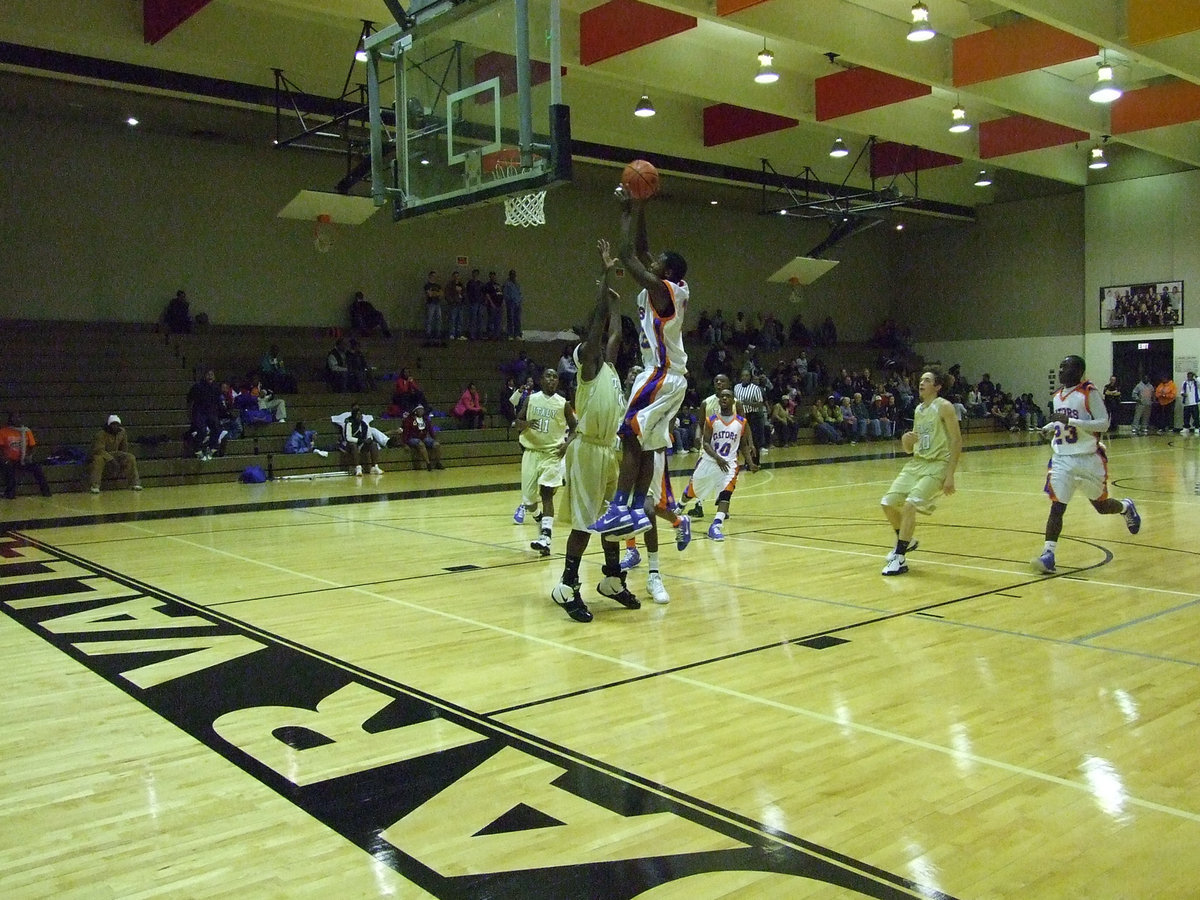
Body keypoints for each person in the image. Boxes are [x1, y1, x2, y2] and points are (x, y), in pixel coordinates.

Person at [589, 183, 689, 538]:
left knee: (630, 433)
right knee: (646, 443)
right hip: (669, 376)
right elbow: (644, 250)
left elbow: (629, 255)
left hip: (660, 374)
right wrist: (644, 204)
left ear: (668, 272)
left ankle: (618, 507)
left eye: (660, 262)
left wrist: (627, 211)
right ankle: (634, 509)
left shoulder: (664, 291)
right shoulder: (668, 284)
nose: (654, 259)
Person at [551, 239, 641, 622]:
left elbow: (616, 332)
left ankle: (612, 580)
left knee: (612, 519)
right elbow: (599, 327)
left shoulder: (612, 370)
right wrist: (604, 278)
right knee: (586, 522)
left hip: (609, 452)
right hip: (587, 450)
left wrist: (618, 299)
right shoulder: (588, 367)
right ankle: (567, 586)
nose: (605, 345)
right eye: (598, 342)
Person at [1032, 355, 1141, 574]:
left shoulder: (1089, 392)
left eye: (1066, 367)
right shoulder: (1057, 396)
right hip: (1062, 458)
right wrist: (1049, 427)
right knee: (1057, 506)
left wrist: (1069, 421)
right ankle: (1048, 555)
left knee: (1101, 507)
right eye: (1060, 366)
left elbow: (1104, 423)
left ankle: (1126, 507)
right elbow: (1061, 423)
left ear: (1078, 371)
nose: (1061, 370)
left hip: (1088, 459)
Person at [879, 368, 961, 575]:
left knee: (910, 505)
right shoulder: (919, 410)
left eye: (927, 380)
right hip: (917, 463)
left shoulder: (944, 407)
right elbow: (910, 448)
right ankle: (908, 540)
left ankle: (899, 557)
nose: (921, 383)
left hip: (937, 465)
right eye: (921, 379)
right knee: (887, 503)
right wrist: (906, 441)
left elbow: (957, 440)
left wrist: (950, 475)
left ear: (938, 386)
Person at [677, 388, 756, 541]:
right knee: (692, 491)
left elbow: (744, 445)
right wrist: (717, 458)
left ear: (733, 401)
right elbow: (705, 443)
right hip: (709, 461)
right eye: (722, 396)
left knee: (726, 493)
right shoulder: (712, 420)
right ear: (719, 401)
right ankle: (680, 505)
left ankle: (716, 525)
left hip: (730, 464)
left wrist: (750, 462)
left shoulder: (741, 422)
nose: (724, 398)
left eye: (728, 396)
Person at [515, 368, 575, 556]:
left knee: (547, 493)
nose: (551, 379)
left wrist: (567, 445)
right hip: (531, 453)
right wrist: (524, 424)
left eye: (555, 377)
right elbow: (517, 421)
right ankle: (539, 517)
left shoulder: (563, 403)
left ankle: (546, 537)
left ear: (558, 382)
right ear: (541, 380)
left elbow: (575, 428)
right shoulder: (531, 399)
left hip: (552, 453)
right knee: (529, 501)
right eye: (548, 376)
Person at [1, 411, 52, 499]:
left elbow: (32, 447)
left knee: (37, 468)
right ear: (10, 419)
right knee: (9, 469)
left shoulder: (26, 431)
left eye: (18, 417)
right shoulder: (3, 431)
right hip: (8, 460)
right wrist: (4, 458)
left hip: (22, 459)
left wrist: (27, 457)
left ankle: (46, 492)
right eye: (14, 417)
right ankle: (10, 493)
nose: (16, 419)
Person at [89, 415, 142, 493]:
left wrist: (122, 458)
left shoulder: (122, 432)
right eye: (113, 424)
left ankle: (135, 483)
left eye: (117, 424)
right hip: (103, 454)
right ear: (109, 425)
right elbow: (98, 450)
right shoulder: (100, 434)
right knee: (98, 459)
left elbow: (124, 448)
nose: (115, 426)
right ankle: (95, 485)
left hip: (116, 454)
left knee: (130, 457)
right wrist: (111, 459)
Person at [187, 368, 223, 460]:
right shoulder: (198, 386)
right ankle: (197, 448)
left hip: (211, 412)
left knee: (216, 428)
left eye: (212, 374)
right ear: (204, 376)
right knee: (202, 430)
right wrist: (190, 413)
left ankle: (211, 448)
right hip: (199, 411)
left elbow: (218, 402)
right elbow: (190, 400)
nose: (210, 376)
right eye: (208, 374)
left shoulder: (216, 387)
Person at [338, 405, 383, 476]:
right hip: (347, 446)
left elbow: (369, 436)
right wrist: (361, 441)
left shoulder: (364, 424)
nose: (360, 416)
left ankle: (374, 466)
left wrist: (369, 440)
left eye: (361, 415)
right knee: (353, 445)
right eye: (358, 415)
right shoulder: (349, 423)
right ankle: (358, 467)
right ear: (354, 416)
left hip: (360, 445)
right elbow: (348, 438)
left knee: (373, 444)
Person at [398, 403, 443, 471]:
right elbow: (405, 432)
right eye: (420, 410)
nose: (421, 411)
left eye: (422, 410)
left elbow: (430, 430)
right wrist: (404, 444)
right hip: (412, 438)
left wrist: (434, 438)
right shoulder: (409, 420)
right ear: (415, 411)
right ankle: (428, 463)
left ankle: (438, 463)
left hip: (423, 437)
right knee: (420, 444)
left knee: (437, 445)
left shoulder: (425, 419)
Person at [423, 270, 443, 342]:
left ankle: (438, 333)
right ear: (430, 276)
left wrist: (434, 293)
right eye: (433, 276)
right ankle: (428, 333)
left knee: (439, 319)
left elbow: (441, 294)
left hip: (437, 303)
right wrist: (436, 293)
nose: (434, 277)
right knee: (429, 319)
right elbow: (429, 295)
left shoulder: (438, 285)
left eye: (435, 276)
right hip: (430, 304)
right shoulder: (427, 285)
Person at [503, 269, 523, 340]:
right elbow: (505, 294)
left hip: (517, 304)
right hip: (511, 303)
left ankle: (517, 334)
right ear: (509, 275)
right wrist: (510, 301)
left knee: (517, 319)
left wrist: (519, 300)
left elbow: (520, 293)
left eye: (514, 275)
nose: (513, 276)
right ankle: (510, 334)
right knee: (510, 319)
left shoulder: (517, 284)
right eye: (512, 274)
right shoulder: (507, 284)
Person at [445, 270, 466, 340]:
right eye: (455, 276)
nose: (456, 277)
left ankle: (459, 334)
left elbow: (464, 293)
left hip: (460, 305)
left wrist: (463, 300)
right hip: (453, 305)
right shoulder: (449, 285)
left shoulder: (461, 284)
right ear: (452, 277)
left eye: (457, 276)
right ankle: (452, 334)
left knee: (460, 320)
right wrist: (452, 301)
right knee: (452, 319)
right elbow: (447, 294)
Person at [465, 268, 484, 340]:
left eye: (476, 274)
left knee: (480, 319)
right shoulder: (470, 283)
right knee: (473, 319)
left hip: (480, 303)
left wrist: (483, 301)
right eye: (474, 274)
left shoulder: (481, 283)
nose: (475, 275)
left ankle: (480, 334)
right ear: (472, 274)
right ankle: (472, 334)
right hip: (473, 303)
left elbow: (483, 293)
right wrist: (469, 301)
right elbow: (468, 293)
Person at [484, 270, 503, 340]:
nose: (493, 277)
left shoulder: (497, 285)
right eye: (491, 276)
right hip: (492, 305)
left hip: (499, 305)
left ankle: (496, 335)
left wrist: (501, 303)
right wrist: (491, 303)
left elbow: (500, 294)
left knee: (498, 321)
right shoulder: (488, 285)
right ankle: (490, 335)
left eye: (494, 276)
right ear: (489, 277)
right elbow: (487, 295)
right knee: (491, 320)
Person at [1180, 371, 1199, 435]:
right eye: (1189, 376)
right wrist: (1183, 394)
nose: (1189, 377)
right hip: (1187, 402)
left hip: (1194, 402)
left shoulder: (1196, 382)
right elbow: (1182, 391)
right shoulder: (1184, 382)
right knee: (1186, 416)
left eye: (1191, 376)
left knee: (1196, 416)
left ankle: (1197, 427)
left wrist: (1196, 376)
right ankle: (1186, 428)